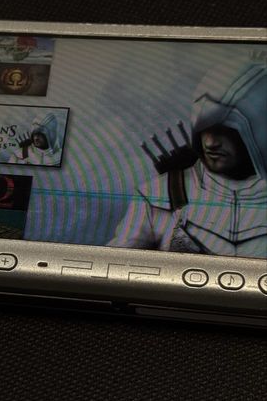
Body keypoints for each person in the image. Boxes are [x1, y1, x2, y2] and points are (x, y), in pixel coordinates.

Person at [107, 62, 267, 257]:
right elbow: (117, 261)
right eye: (204, 130)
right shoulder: (159, 194)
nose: (210, 143)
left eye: (224, 131)